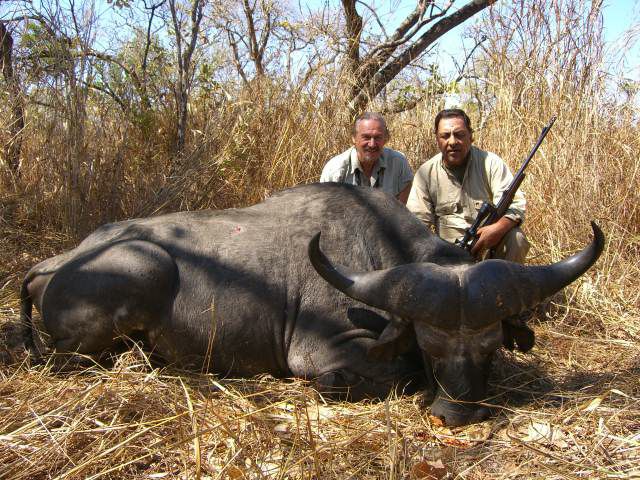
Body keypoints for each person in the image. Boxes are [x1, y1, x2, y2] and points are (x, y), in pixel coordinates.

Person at [407, 109, 530, 262]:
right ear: (437, 139)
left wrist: (498, 228)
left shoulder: (490, 163)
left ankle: (506, 278)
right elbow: (416, 224)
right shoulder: (426, 173)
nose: (452, 142)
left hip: (488, 250)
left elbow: (516, 205)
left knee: (516, 238)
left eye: (459, 135)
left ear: (471, 136)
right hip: (447, 256)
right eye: (445, 136)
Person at [320, 112, 413, 204]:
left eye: (377, 137)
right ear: (354, 138)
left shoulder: (398, 163)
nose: (372, 144)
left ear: (385, 139)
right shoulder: (335, 170)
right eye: (366, 137)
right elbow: (326, 209)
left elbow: (401, 210)